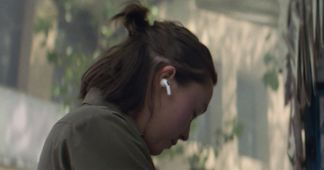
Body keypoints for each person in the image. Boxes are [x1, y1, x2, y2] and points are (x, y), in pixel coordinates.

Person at [37, 2, 217, 170]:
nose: (185, 134)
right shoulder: (97, 131)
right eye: (193, 113)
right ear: (166, 80)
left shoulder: (95, 129)